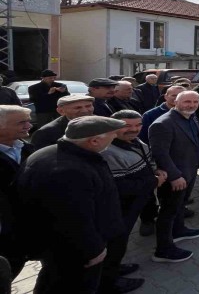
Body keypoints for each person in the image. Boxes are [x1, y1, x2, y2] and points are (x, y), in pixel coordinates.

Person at [16, 116, 126, 293]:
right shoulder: (70, 171)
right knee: (74, 285)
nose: (115, 138)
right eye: (113, 135)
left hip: (56, 247)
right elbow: (73, 219)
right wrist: (93, 251)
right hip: (73, 251)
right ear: (94, 141)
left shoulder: (49, 153)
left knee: (52, 280)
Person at [100, 110, 165, 294]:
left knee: (120, 243)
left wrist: (156, 170)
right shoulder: (108, 150)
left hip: (135, 203)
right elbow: (119, 185)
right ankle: (109, 283)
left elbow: (147, 160)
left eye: (138, 125)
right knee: (114, 243)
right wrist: (153, 182)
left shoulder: (135, 141)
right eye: (127, 126)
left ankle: (114, 268)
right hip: (120, 206)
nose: (134, 129)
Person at [149, 91, 199, 263]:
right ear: (176, 102)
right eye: (187, 101)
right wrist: (174, 176)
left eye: (195, 102)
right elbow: (160, 154)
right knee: (168, 211)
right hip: (175, 177)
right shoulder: (163, 123)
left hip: (190, 171)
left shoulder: (191, 117)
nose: (192, 105)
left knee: (180, 205)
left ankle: (178, 230)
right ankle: (163, 250)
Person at [0, 106, 34, 279]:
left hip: (24, 231)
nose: (29, 126)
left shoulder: (27, 148)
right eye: (22, 122)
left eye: (28, 121)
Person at [30, 94, 95, 150]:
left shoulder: (100, 122)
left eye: (88, 106)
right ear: (61, 111)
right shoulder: (46, 133)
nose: (85, 110)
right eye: (78, 108)